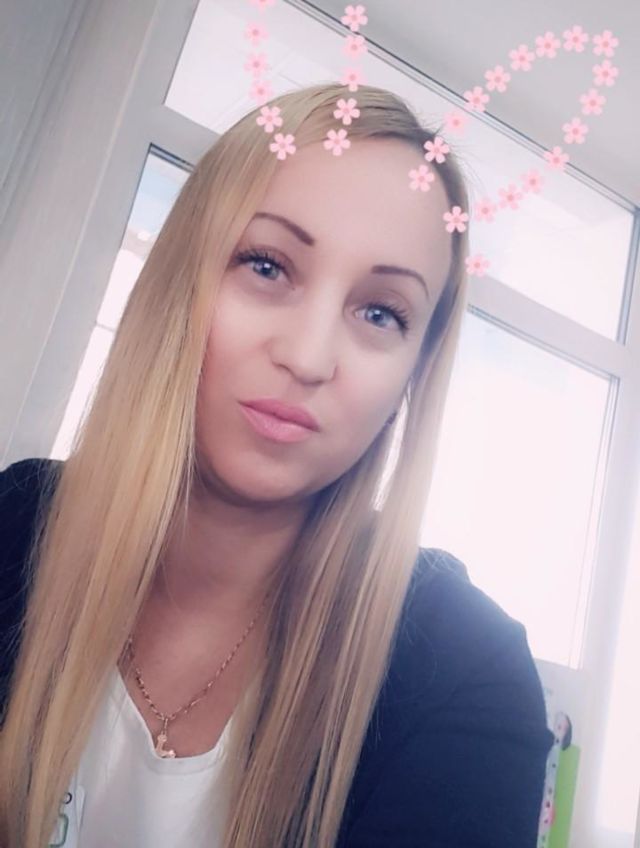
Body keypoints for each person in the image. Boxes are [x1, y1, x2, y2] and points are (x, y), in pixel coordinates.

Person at [0, 82, 554, 847]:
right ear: (179, 279)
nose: (308, 357)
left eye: (380, 313)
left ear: (412, 376)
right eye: (266, 266)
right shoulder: (15, 524)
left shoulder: (465, 671)